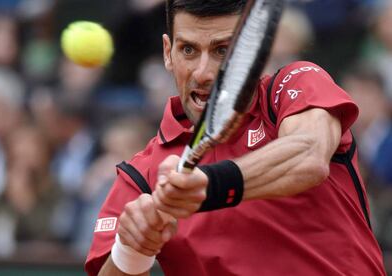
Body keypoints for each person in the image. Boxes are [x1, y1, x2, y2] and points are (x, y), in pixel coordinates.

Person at [86, 1, 386, 275]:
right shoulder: (140, 176)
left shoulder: (293, 85)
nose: (202, 73)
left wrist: (210, 186)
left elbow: (309, 154)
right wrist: (132, 249)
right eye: (188, 50)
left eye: (222, 51)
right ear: (168, 53)